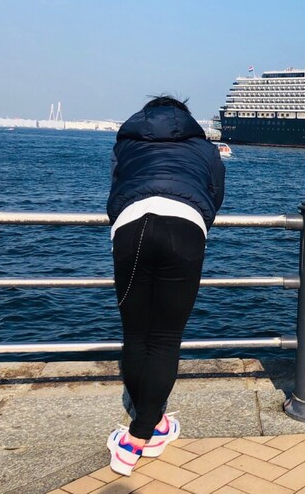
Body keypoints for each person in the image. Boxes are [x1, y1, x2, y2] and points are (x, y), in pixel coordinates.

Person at [105, 95, 225, 476]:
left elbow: (116, 186)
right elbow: (216, 192)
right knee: (166, 339)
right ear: (184, 118)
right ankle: (137, 438)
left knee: (135, 335)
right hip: (185, 226)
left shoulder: (127, 143)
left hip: (131, 225)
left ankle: (152, 423)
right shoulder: (204, 148)